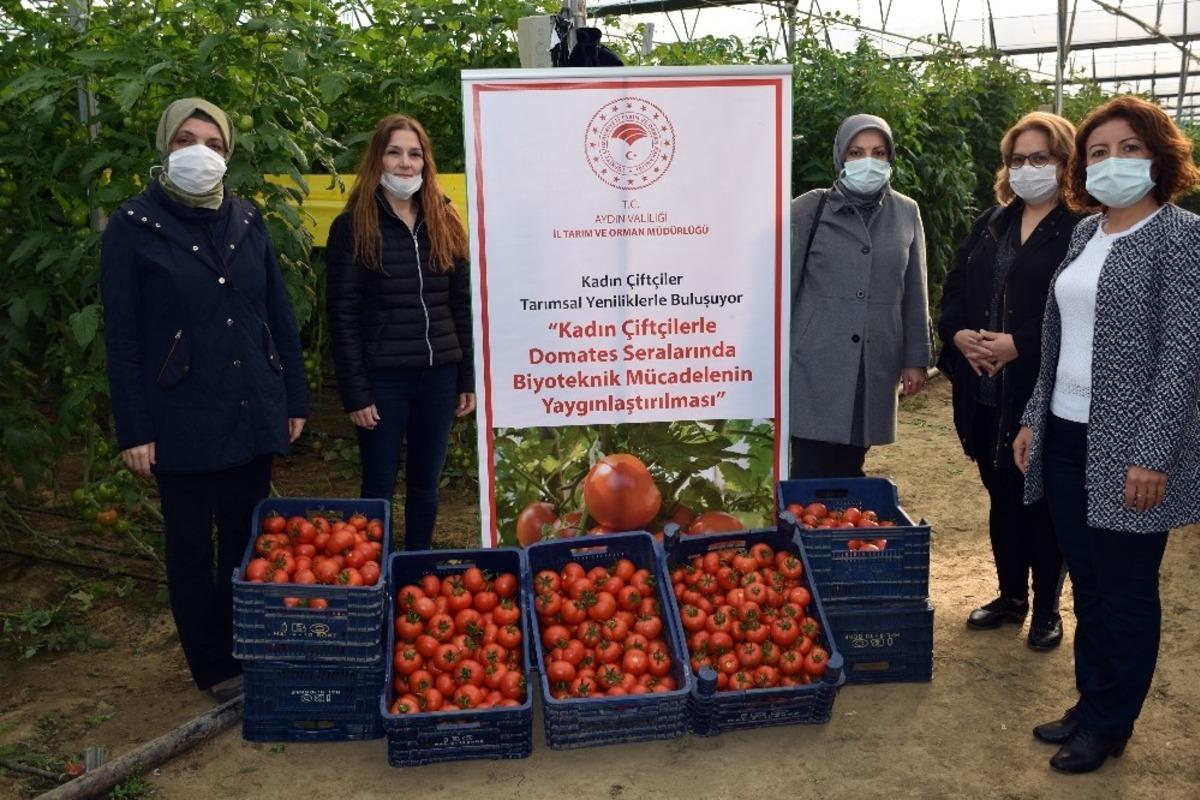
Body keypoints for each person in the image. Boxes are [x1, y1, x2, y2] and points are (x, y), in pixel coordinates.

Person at [1013, 95, 1200, 774]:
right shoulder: (1086, 234)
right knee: (1088, 584)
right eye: (1098, 152)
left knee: (1125, 591)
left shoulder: (1182, 237)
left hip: (1129, 449)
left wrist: (1153, 453)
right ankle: (1091, 703)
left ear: (1158, 156)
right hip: (1066, 434)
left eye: (1128, 148)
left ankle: (1110, 724)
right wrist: (1034, 416)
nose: (1112, 161)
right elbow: (1060, 338)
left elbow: (1183, 355)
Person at [101, 98, 308, 702]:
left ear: (228, 154)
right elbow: (123, 335)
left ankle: (247, 644)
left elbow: (277, 314)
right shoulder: (134, 225)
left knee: (248, 536)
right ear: (165, 147)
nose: (200, 153)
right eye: (186, 140)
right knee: (191, 545)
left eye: (214, 144)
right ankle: (213, 664)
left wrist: (292, 396)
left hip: (250, 402)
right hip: (181, 411)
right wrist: (135, 427)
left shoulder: (246, 218)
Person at [938, 112, 1082, 650]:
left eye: (1040, 157)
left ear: (1065, 162)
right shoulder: (993, 222)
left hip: (1039, 389)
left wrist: (1020, 343)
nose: (1027, 168)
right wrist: (959, 335)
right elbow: (956, 285)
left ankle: (1046, 609)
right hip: (984, 389)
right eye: (1018, 159)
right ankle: (1011, 596)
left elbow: (1080, 311)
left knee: (1040, 504)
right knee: (1001, 496)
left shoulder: (1080, 227)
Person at [326, 114, 474, 551]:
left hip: (439, 375)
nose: (405, 163)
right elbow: (343, 314)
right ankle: (374, 572)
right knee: (378, 484)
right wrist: (356, 393)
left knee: (426, 483)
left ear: (426, 162)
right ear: (378, 160)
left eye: (414, 153)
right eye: (394, 153)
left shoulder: (446, 220)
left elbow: (460, 305)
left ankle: (416, 566)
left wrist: (465, 377)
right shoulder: (353, 227)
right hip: (383, 380)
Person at [789, 114, 932, 478]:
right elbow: (784, 288)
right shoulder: (809, 208)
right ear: (840, 156)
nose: (868, 161)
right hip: (815, 361)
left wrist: (916, 358)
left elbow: (915, 291)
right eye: (856, 152)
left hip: (873, 362)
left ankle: (846, 516)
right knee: (810, 466)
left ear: (890, 158)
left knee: (852, 464)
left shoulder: (906, 212)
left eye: (878, 153)